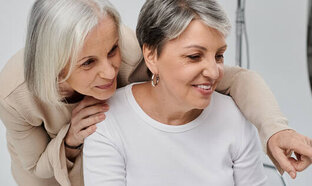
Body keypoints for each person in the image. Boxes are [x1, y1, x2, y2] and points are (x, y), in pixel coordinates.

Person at [0, 0, 312, 185]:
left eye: (111, 51)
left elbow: (233, 79)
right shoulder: (13, 95)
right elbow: (35, 166)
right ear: (56, 65)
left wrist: (275, 128)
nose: (109, 73)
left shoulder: (137, 49)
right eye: (88, 63)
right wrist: (69, 142)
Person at [82, 0, 266, 185]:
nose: (214, 72)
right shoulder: (108, 121)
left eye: (218, 56)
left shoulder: (233, 118)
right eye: (194, 56)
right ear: (151, 56)